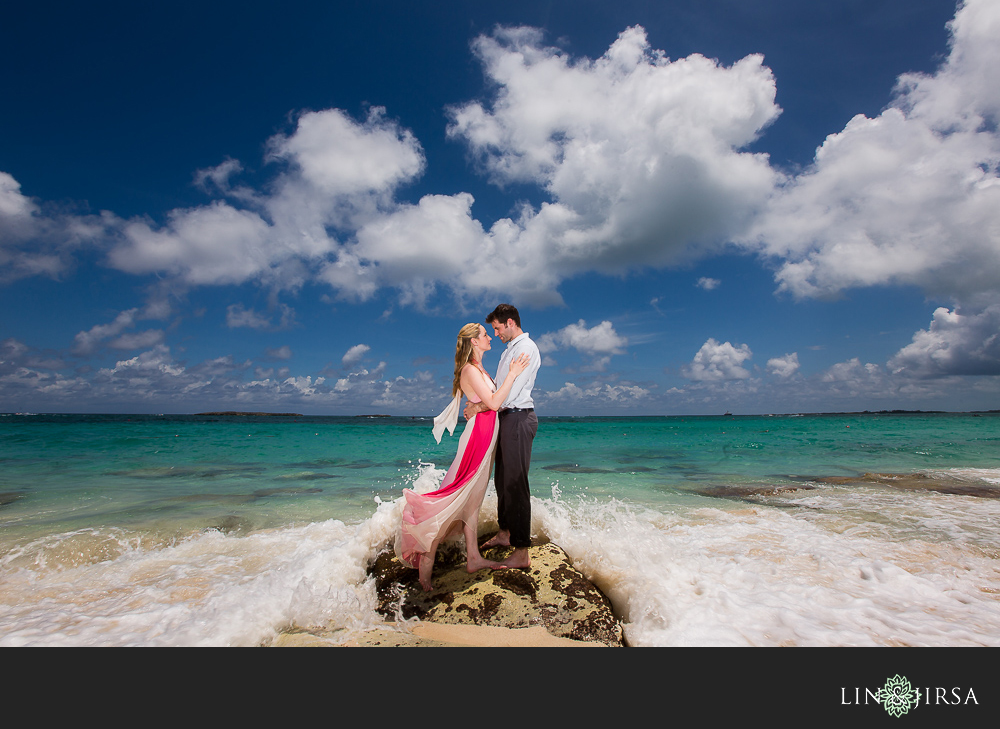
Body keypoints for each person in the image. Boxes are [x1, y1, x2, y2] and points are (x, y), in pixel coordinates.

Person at [396, 322, 530, 591]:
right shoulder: (470, 370)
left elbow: (488, 404)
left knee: (473, 499)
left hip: (486, 435)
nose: (489, 337)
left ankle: (473, 557)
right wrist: (513, 375)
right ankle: (427, 558)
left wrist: (481, 403)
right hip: (478, 439)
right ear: (474, 342)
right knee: (456, 494)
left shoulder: (479, 368)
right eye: (484, 334)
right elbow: (494, 403)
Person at [464, 304, 540, 570]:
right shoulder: (510, 350)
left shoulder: (525, 349)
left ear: (509, 322)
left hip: (519, 417)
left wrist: (476, 407)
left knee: (517, 484)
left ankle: (522, 552)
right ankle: (506, 533)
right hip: (507, 419)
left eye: (496, 328)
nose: (495, 334)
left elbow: (505, 395)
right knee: (503, 480)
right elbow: (498, 388)